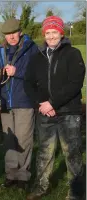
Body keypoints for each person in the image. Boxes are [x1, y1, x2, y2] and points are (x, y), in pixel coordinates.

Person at [24, 16, 85, 200]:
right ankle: (41, 187)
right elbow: (28, 84)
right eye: (48, 33)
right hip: (45, 112)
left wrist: (53, 103)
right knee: (45, 152)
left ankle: (76, 192)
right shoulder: (37, 57)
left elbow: (75, 83)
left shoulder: (73, 53)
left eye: (54, 32)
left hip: (68, 112)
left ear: (61, 33)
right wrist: (42, 104)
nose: (51, 36)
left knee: (72, 152)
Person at [0, 18, 38, 189]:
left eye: (14, 33)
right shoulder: (0, 50)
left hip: (24, 100)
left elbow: (37, 74)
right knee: (9, 140)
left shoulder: (32, 48)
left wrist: (18, 72)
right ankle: (11, 174)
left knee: (24, 140)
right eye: (7, 34)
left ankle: (23, 176)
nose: (11, 37)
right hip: (5, 102)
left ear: (20, 32)